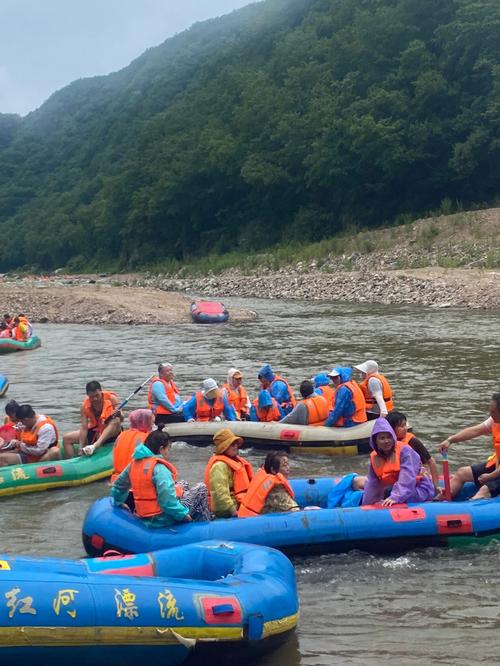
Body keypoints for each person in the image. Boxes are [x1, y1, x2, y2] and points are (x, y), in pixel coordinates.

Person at [111, 430, 193, 528]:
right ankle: (202, 526)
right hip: (162, 518)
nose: (168, 453)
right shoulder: (159, 469)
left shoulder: (133, 464)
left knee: (183, 484)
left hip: (142, 515)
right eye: (168, 449)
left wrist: (118, 502)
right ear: (161, 449)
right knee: (201, 489)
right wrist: (184, 515)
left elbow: (119, 485)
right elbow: (167, 502)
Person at [440, 392, 500, 500]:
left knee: (484, 490)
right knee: (462, 473)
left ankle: (471, 507)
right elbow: (475, 431)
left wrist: (490, 476)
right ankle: (438, 503)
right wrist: (451, 439)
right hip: (497, 464)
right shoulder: (494, 420)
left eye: (493, 412)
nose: (490, 415)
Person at [362, 417, 435, 506]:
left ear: (393, 437)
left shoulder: (404, 451)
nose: (386, 441)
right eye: (382, 438)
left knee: (391, 493)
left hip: (419, 488)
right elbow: (372, 483)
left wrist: (395, 497)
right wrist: (367, 504)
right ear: (375, 441)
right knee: (386, 491)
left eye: (389, 437)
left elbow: (407, 476)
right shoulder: (374, 456)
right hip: (393, 488)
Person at [62, 381, 121, 458]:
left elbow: (121, 418)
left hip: (111, 432)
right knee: (66, 438)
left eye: (97, 395)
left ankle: (96, 444)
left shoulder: (112, 399)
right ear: (88, 395)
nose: (95, 399)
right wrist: (80, 448)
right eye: (92, 397)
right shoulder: (84, 406)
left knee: (116, 420)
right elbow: (84, 428)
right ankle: (72, 462)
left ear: (101, 391)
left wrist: (119, 413)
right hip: (96, 431)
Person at [386, 410, 440, 494]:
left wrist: (436, 486)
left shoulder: (412, 442)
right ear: (391, 429)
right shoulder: (386, 444)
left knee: (389, 490)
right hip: (397, 480)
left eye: (405, 425)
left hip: (415, 482)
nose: (405, 428)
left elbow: (431, 461)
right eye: (401, 426)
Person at [204, 428, 254, 518]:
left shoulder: (236, 462)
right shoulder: (219, 466)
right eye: (232, 444)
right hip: (228, 511)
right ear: (224, 447)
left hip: (241, 504)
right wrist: (233, 511)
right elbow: (220, 494)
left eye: (236, 444)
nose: (235, 446)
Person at [238, 451, 299, 516]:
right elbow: (293, 509)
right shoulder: (276, 489)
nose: (288, 468)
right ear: (273, 470)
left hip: (247, 515)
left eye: (287, 464)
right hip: (253, 520)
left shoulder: (263, 476)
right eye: (284, 466)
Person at [111, 409, 154, 483]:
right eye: (152, 423)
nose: (153, 426)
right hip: (135, 482)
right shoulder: (147, 438)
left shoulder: (121, 435)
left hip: (116, 480)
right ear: (145, 422)